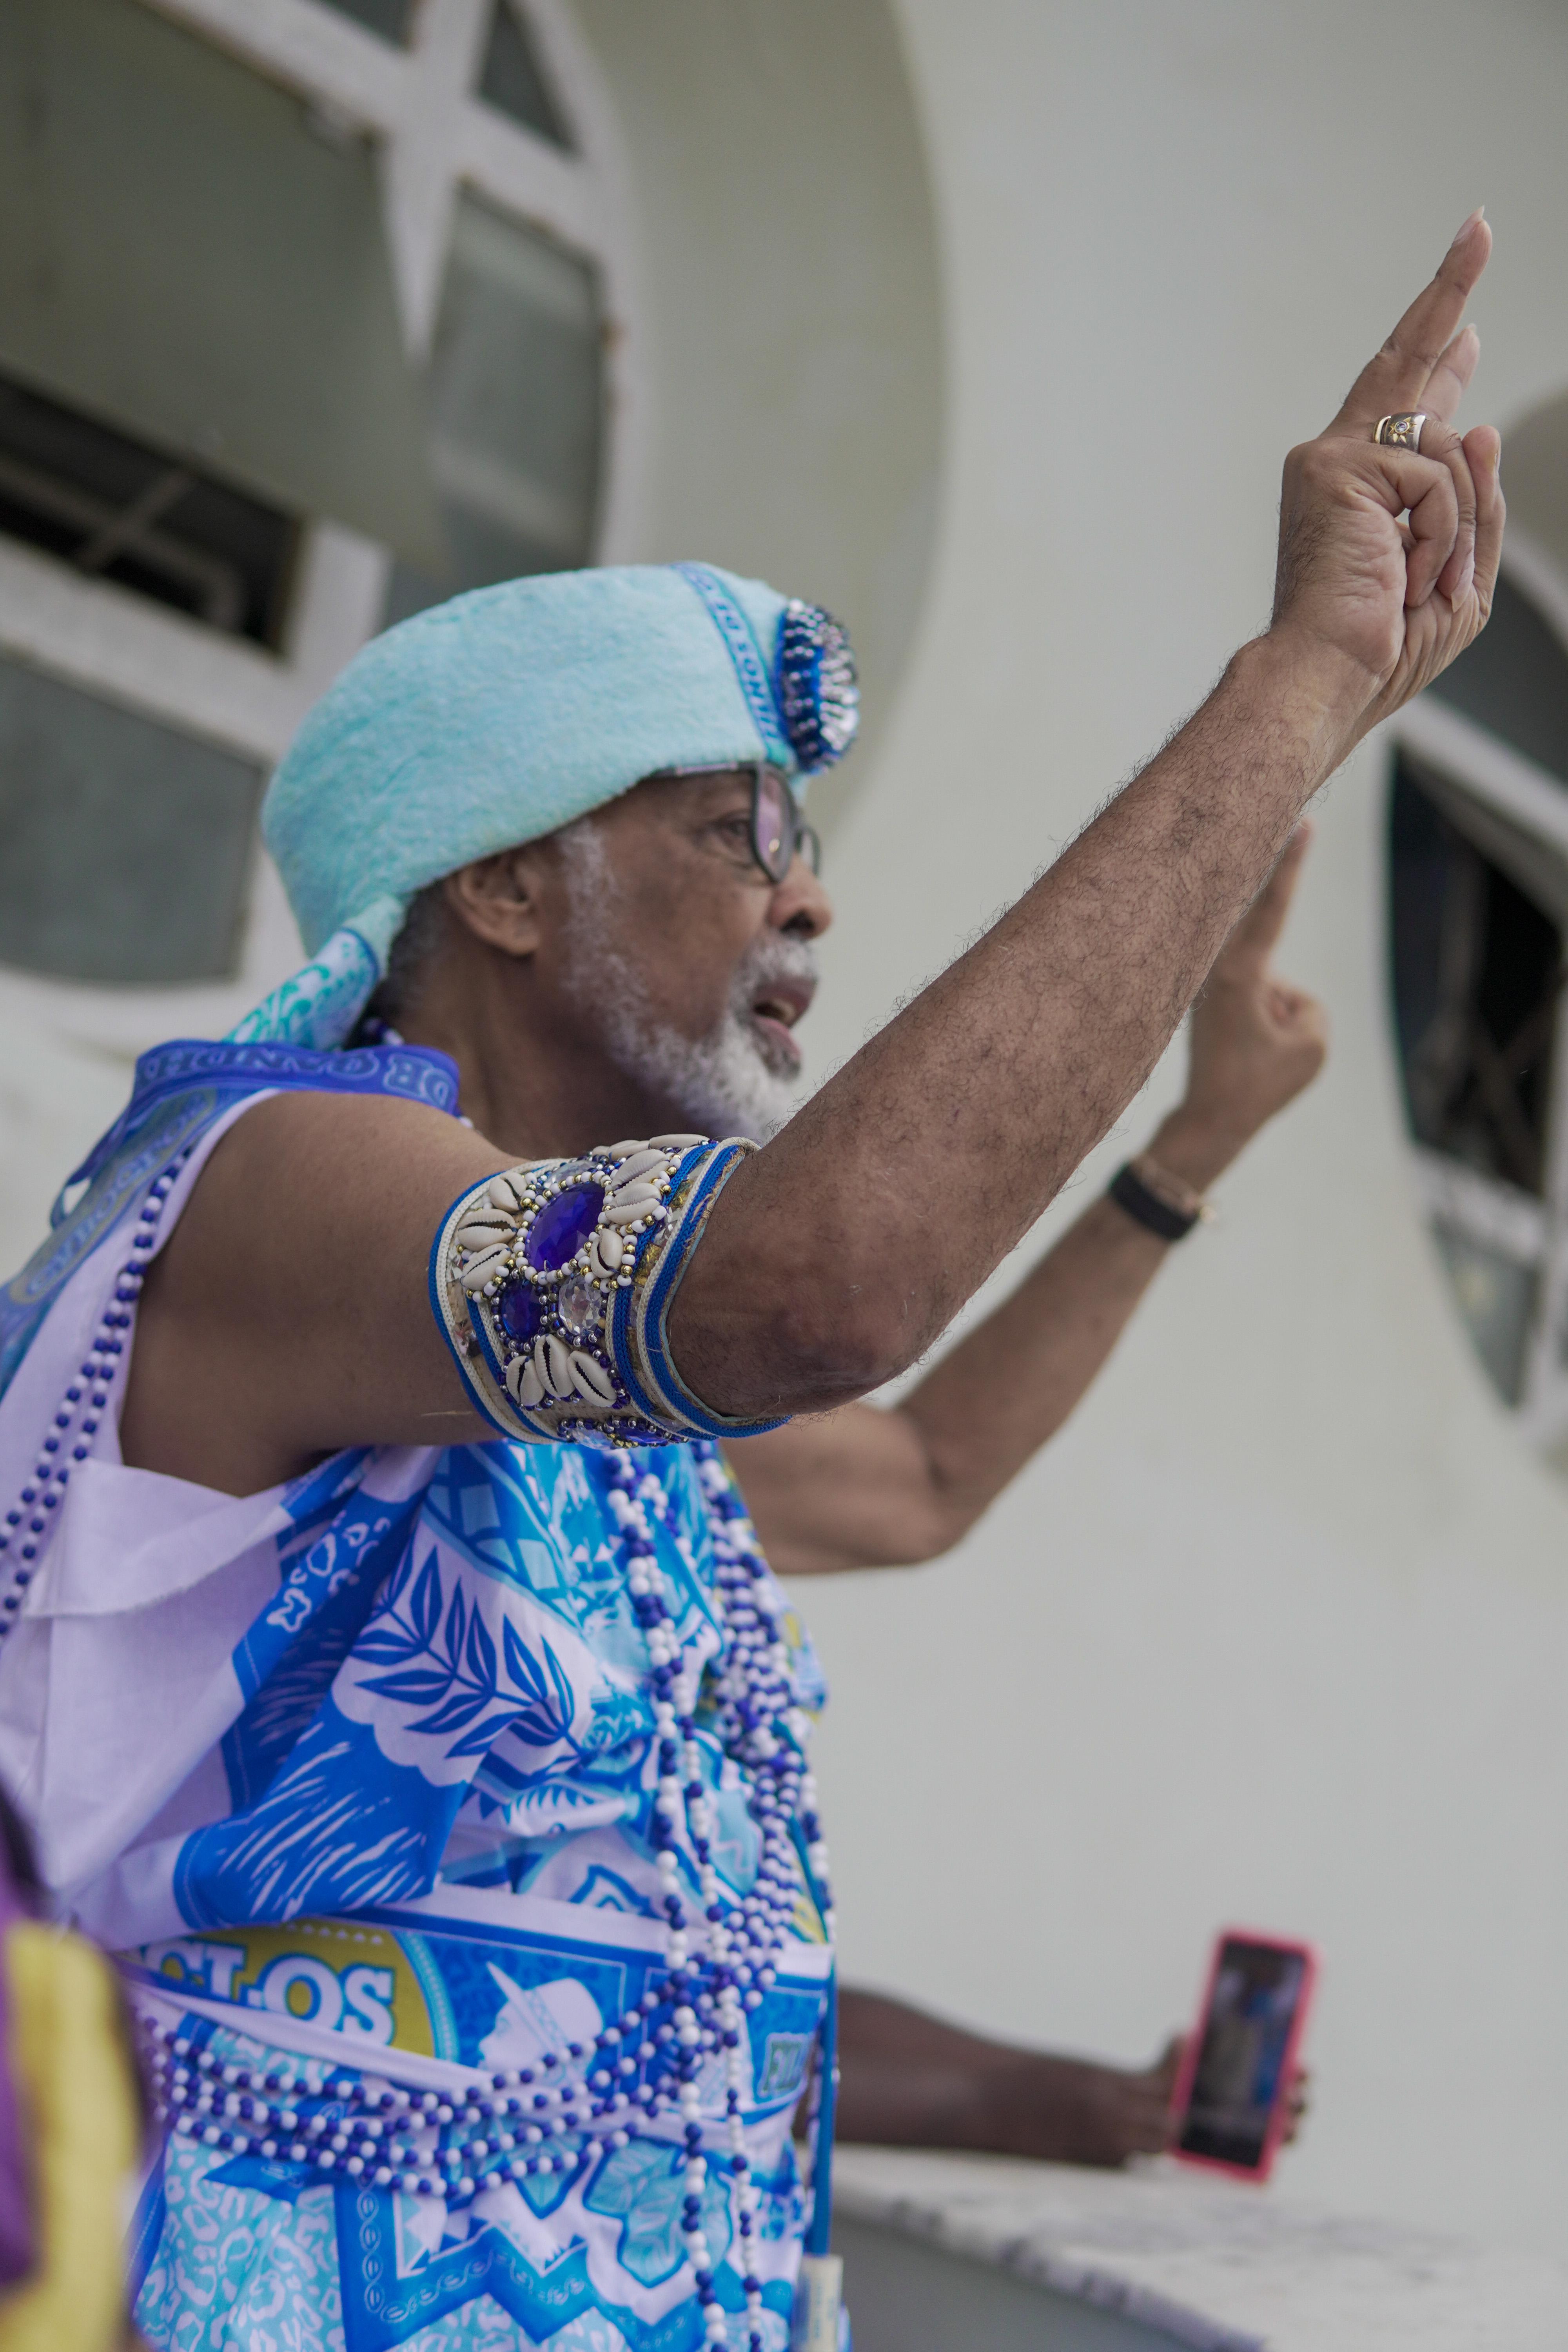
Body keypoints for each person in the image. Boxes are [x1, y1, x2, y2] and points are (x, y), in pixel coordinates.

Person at [0, 211, 1501, 2352]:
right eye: (734, 831)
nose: (813, 896)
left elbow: (914, 1479)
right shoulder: (281, 1186)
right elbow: (822, 1294)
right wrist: (1296, 684)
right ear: (507, 882)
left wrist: (1189, 1151)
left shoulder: (574, 1421)